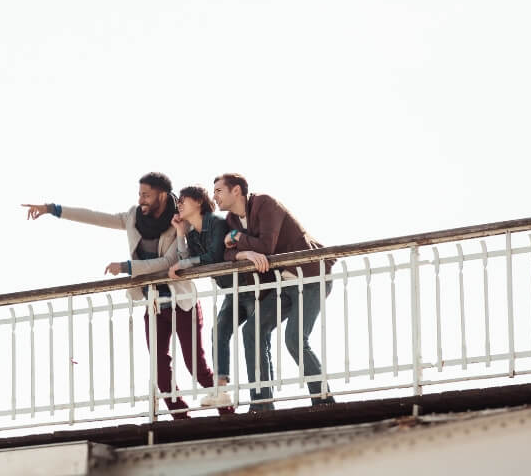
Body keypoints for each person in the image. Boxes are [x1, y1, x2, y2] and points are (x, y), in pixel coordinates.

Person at [23, 172, 228, 418]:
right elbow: (96, 218)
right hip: (154, 305)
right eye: (139, 193)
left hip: (182, 303)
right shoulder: (133, 217)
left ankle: (227, 410)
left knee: (196, 366)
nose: (141, 199)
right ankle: (182, 420)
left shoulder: (178, 220)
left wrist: (127, 267)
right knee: (161, 372)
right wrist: (51, 209)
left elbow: (169, 261)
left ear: (161, 195)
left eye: (146, 194)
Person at [213, 173, 336, 410]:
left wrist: (239, 239)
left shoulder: (265, 204)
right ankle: (262, 404)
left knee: (294, 339)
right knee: (252, 331)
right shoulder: (232, 220)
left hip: (311, 277)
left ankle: (323, 399)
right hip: (284, 284)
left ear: (236, 191)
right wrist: (244, 253)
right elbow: (226, 254)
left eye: (219, 190)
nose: (215, 196)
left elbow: (267, 246)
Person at [166, 185, 253, 411]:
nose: (179, 205)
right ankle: (221, 390)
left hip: (250, 286)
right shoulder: (193, 234)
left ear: (197, 201)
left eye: (183, 200)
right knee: (220, 331)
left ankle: (263, 397)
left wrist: (184, 263)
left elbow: (213, 256)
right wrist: (180, 234)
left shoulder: (216, 223)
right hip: (233, 290)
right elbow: (185, 257)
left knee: (255, 336)